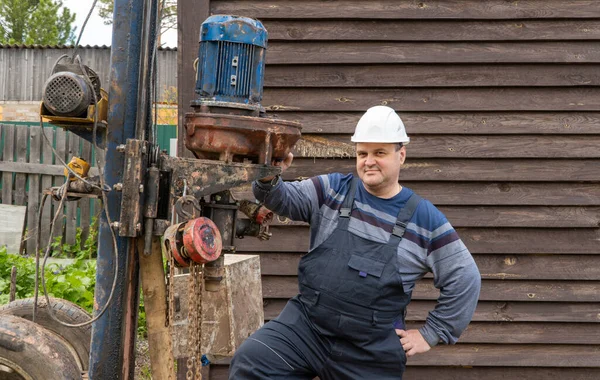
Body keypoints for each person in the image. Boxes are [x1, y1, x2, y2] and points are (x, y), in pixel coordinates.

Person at [229, 105, 481, 379]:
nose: (368, 161)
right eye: (363, 153)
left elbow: (465, 276)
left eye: (379, 153)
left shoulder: (425, 220)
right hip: (308, 327)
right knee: (254, 361)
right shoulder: (333, 189)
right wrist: (268, 177)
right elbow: (284, 199)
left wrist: (431, 334)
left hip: (368, 349)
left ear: (401, 155)